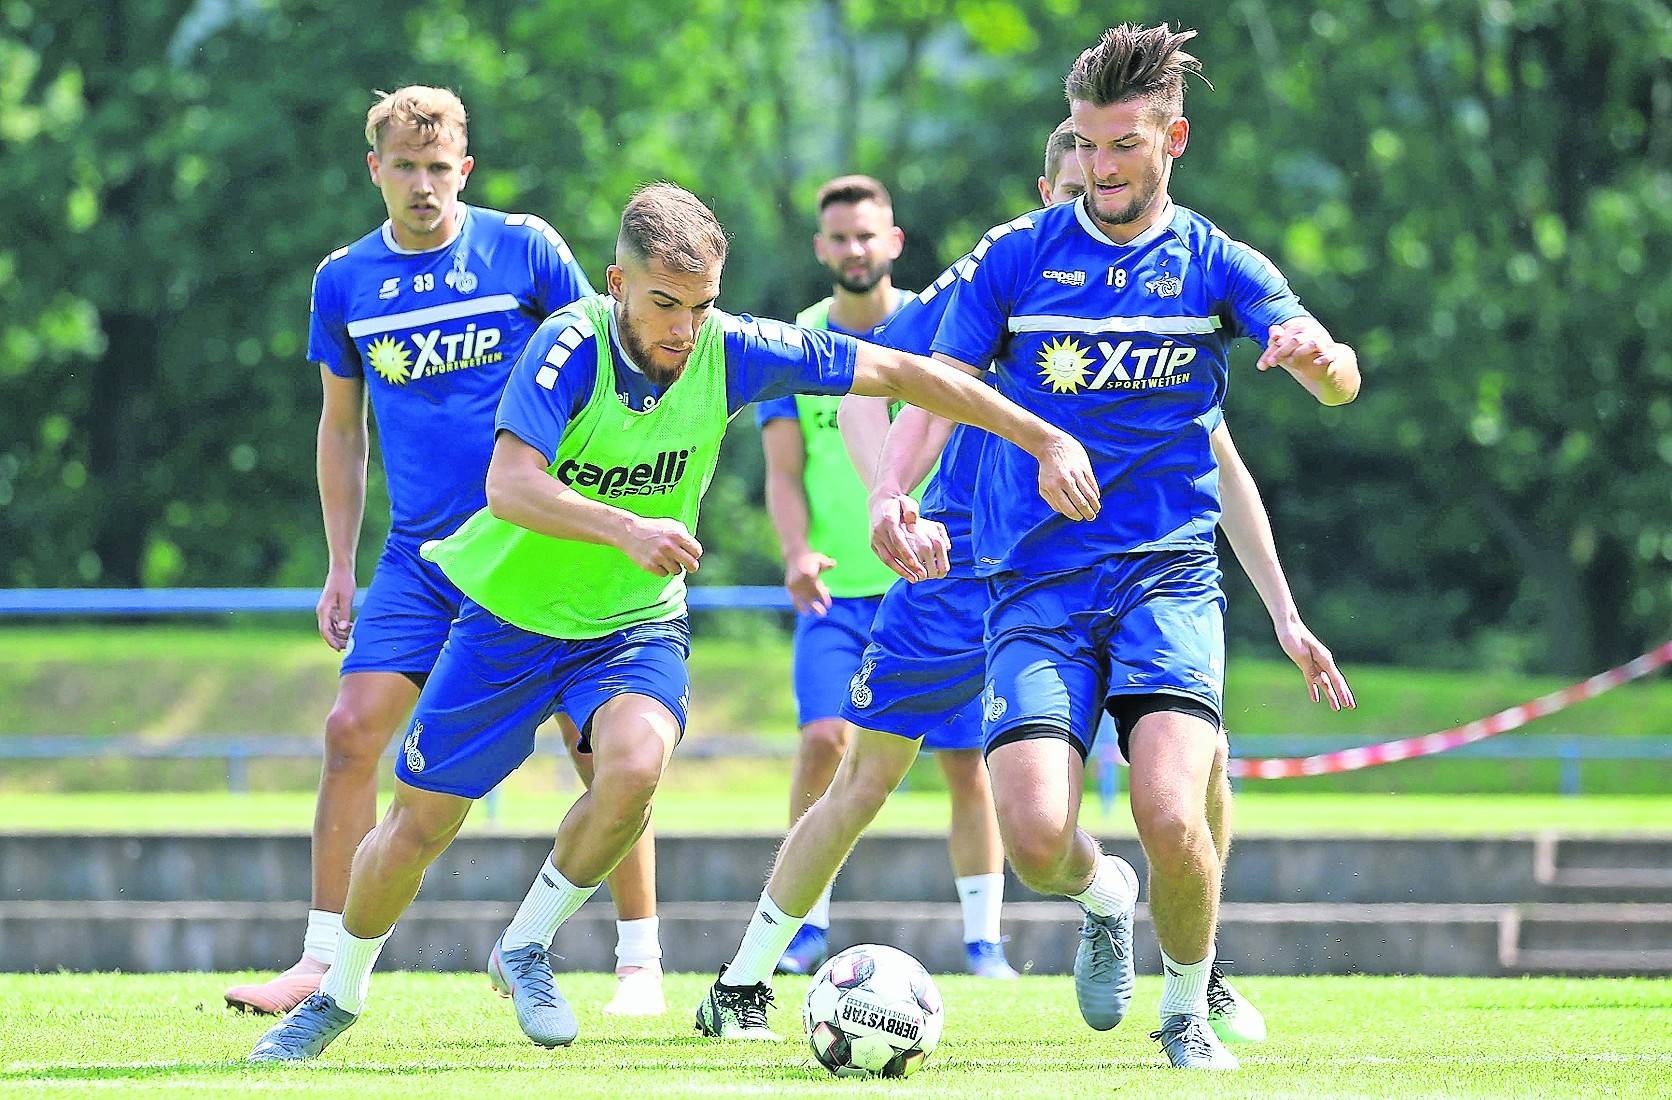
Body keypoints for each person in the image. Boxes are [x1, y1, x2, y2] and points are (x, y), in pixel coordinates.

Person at [248, 182, 1099, 1063]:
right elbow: (509, 484)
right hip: (508, 620)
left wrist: (1041, 438)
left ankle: (528, 942)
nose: (684, 329)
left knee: (634, 767)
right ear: (616, 281)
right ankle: (336, 996)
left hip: (632, 627)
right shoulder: (567, 344)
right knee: (420, 826)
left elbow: (903, 372)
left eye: (701, 306)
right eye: (663, 304)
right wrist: (627, 526)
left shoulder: (730, 350)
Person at [694, 115, 1352, 1048]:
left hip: (1095, 573)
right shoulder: (996, 277)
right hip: (957, 569)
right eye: (1073, 179)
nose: (1085, 202)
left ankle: (1196, 974)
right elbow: (871, 395)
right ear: (1051, 196)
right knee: (866, 777)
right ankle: (746, 979)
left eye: (1105, 170)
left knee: (1190, 762)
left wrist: (1283, 610)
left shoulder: (1154, 307)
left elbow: (1223, 461)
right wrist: (897, 497)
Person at [892, 23, 1361, 1070]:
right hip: (1036, 582)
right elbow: (938, 387)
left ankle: (1185, 1007)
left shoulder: (1215, 263)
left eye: (1123, 148)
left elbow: (1339, 376)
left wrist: (1320, 360)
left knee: (1167, 803)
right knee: (1033, 836)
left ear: (1172, 140)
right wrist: (896, 493)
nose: (1100, 171)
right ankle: (1106, 897)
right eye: (1086, 146)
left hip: (1167, 578)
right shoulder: (1016, 256)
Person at [223, 86, 666, 1020]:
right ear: (374, 169)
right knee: (350, 734)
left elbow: (599, 358)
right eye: (405, 168)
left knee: (601, 749)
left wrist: (611, 512)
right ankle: (319, 961)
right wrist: (341, 562)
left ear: (464, 170)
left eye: (440, 168)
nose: (423, 186)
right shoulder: (343, 280)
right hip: (420, 559)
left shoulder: (525, 248)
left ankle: (639, 963)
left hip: (536, 546)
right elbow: (341, 430)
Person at [756, 175, 1016, 978]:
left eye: (867, 235)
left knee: (966, 763)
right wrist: (796, 551)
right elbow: (783, 472)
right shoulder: (799, 343)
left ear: (893, 242)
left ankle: (984, 942)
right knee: (823, 742)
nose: (854, 249)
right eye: (839, 238)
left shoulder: (943, 330)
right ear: (821, 249)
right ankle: (802, 930)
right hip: (841, 590)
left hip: (936, 582)